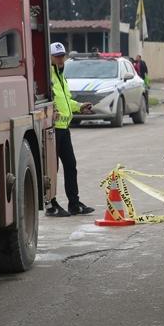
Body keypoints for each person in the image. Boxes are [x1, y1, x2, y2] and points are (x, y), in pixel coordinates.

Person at [47, 42, 96, 217]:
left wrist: (80, 106)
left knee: (70, 165)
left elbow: (66, 101)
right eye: (57, 56)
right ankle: (51, 205)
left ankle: (74, 204)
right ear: (50, 57)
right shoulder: (48, 76)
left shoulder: (61, 76)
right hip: (52, 129)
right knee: (52, 169)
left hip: (64, 128)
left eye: (62, 56)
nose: (61, 59)